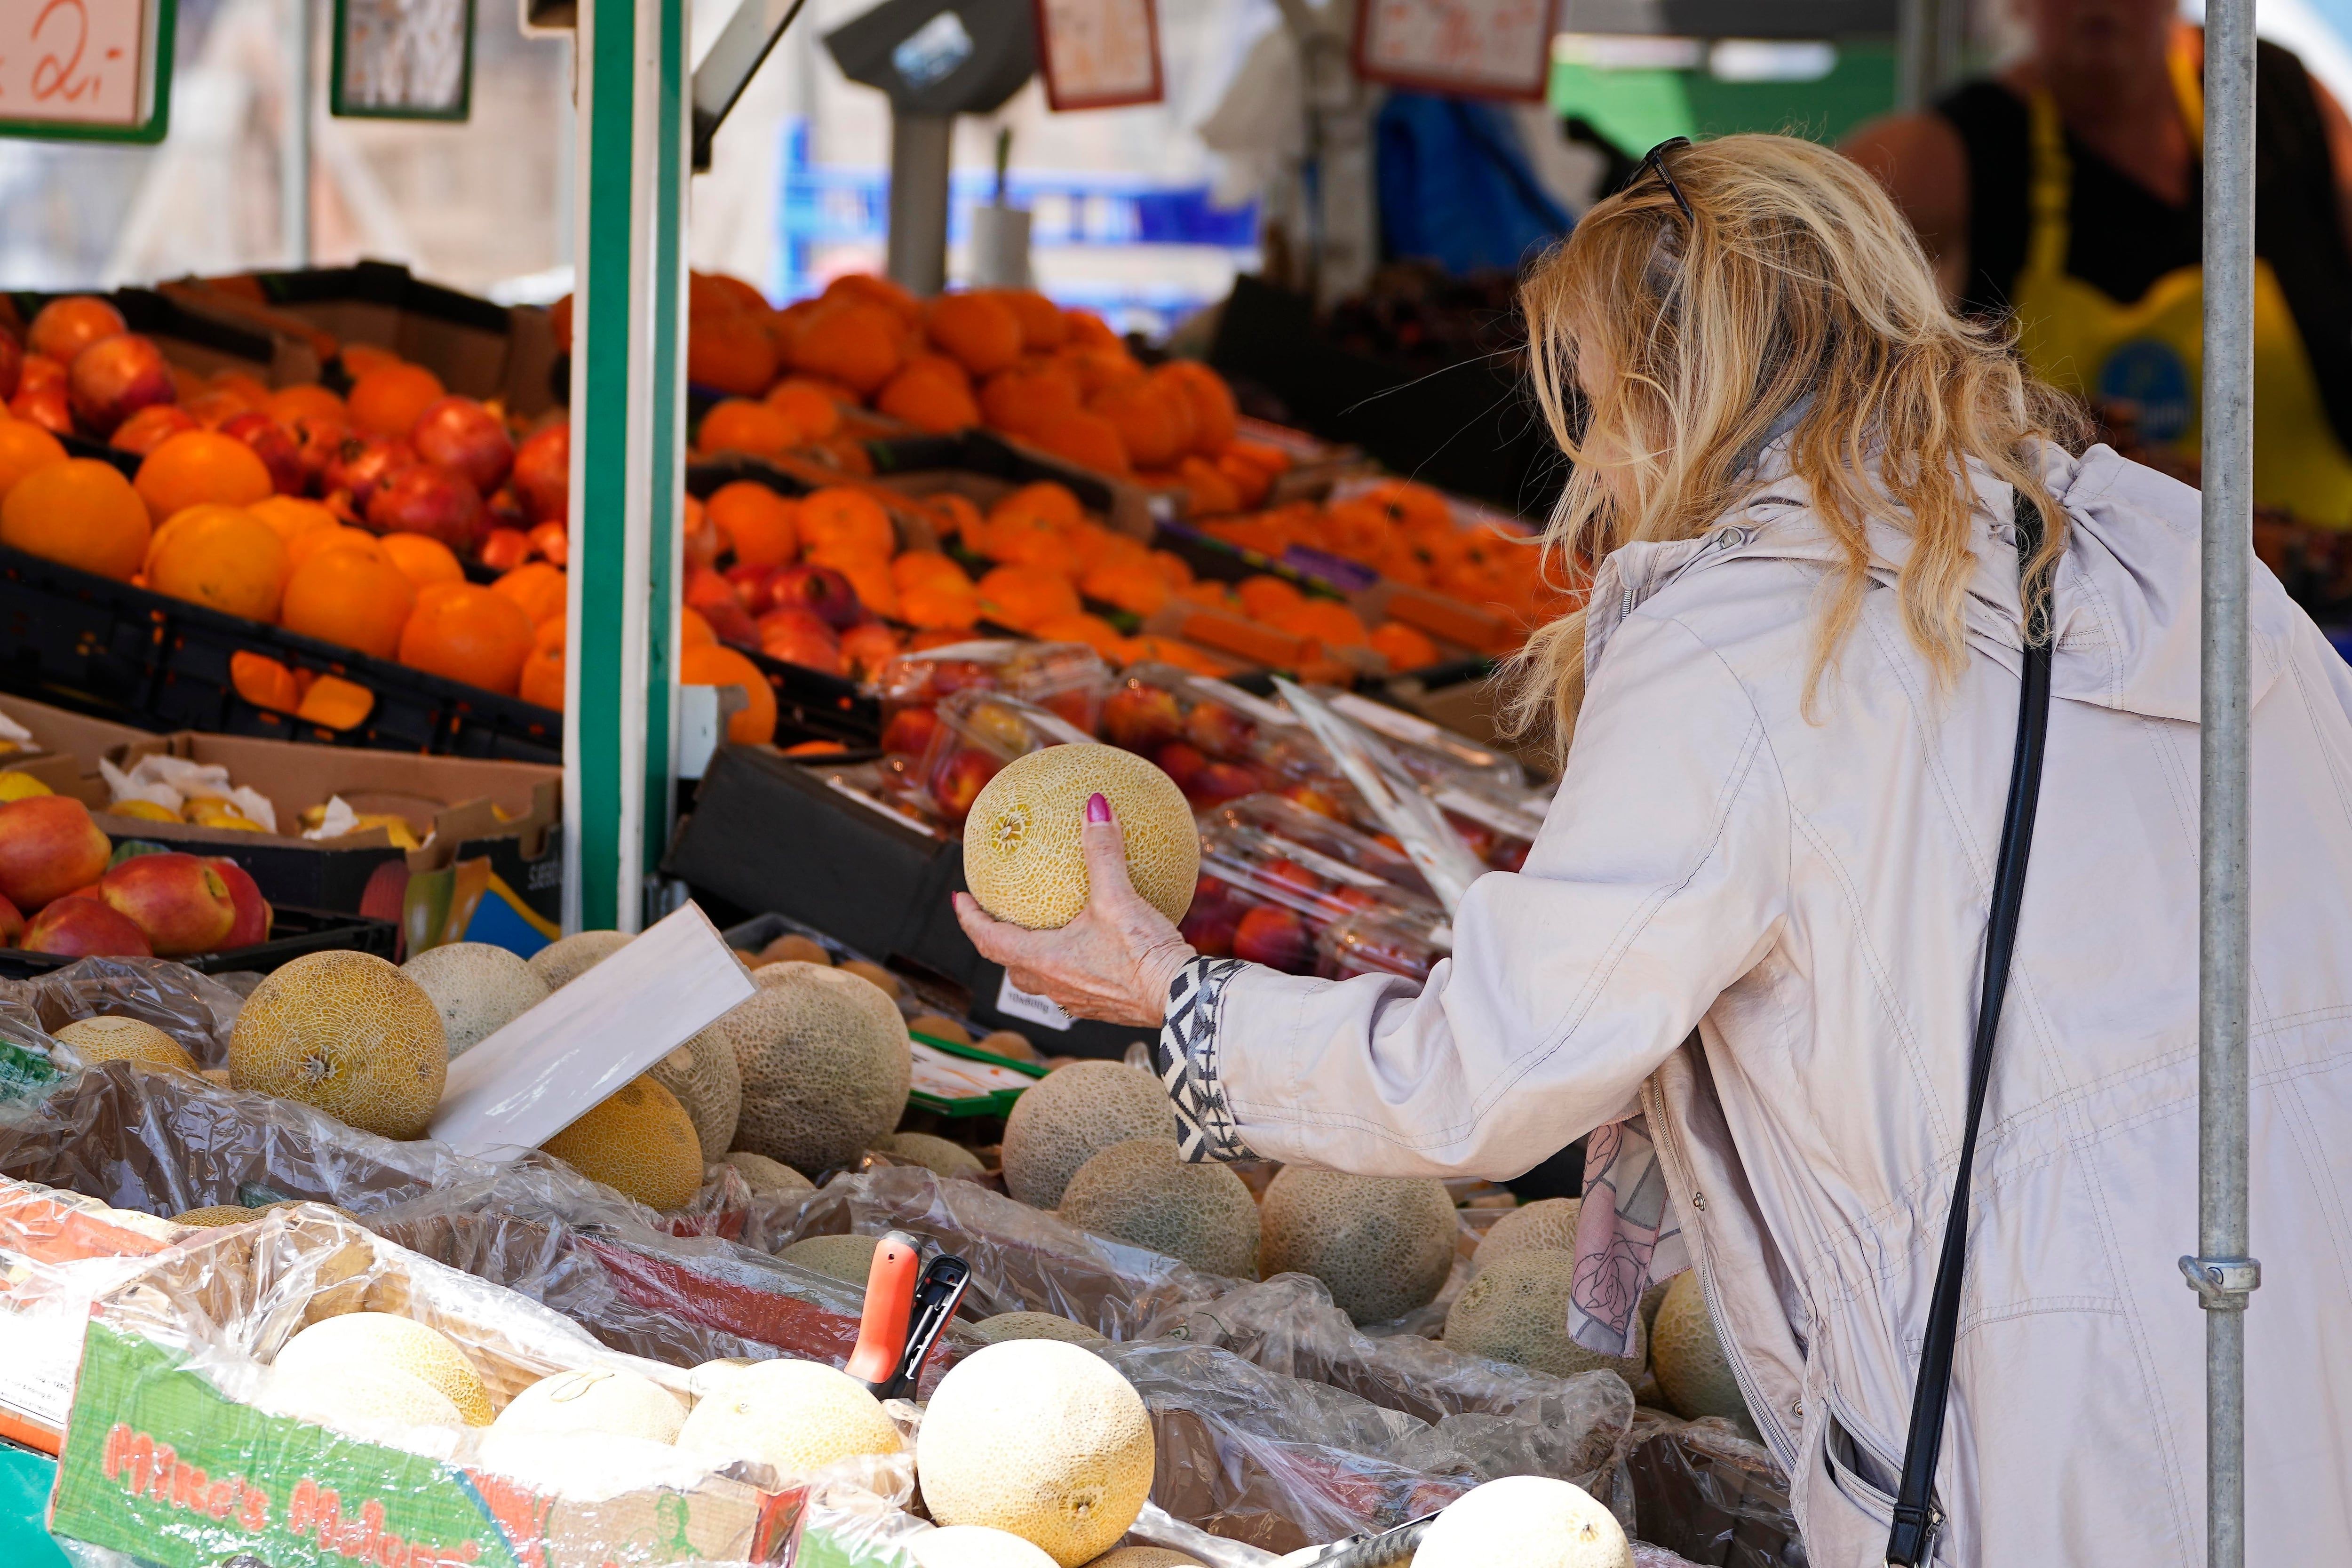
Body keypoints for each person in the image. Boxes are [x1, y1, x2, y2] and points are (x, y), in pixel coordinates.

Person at [954, 135, 2352, 1567]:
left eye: (1586, 393)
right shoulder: (2168, 542)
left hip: (2061, 1381)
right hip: (2300, 1293)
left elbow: (1495, 1068)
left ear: (1653, 389)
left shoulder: (1747, 634)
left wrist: (1180, 1004)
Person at [1843, 0, 2352, 526]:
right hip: (2066, 593)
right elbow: (1795, 246)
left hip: (2320, 580)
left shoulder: (2272, 98)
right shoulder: (1950, 151)